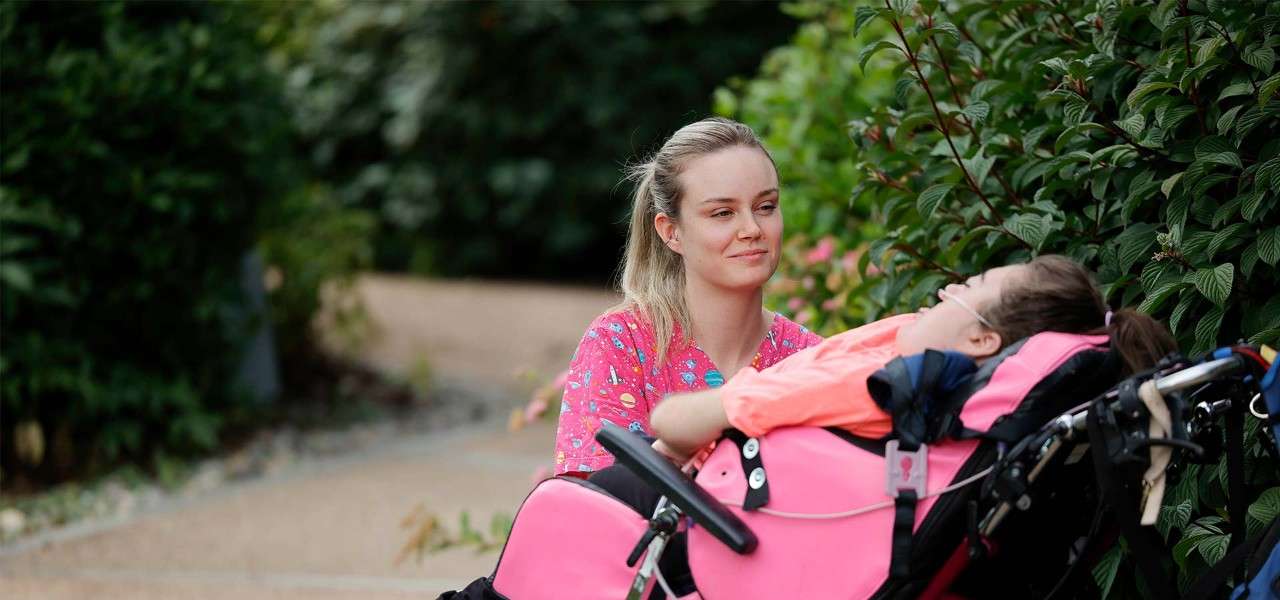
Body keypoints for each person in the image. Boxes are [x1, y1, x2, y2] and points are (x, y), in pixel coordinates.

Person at [649, 254, 1177, 462]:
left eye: (968, 287)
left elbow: (673, 422)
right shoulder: (910, 351)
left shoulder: (879, 385)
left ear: (980, 341)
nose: (948, 288)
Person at [553, 117, 822, 476]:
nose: (752, 229)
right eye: (722, 213)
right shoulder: (621, 344)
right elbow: (597, 513)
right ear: (671, 232)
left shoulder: (810, 358)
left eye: (766, 206)